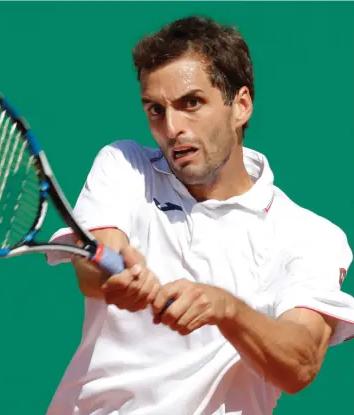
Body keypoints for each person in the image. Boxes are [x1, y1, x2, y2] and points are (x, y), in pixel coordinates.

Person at [44, 15, 354, 415]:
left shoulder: (311, 236)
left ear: (240, 105)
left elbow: (300, 364)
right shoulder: (124, 165)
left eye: (192, 103)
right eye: (156, 110)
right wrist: (114, 274)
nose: (172, 128)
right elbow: (96, 260)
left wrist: (227, 309)